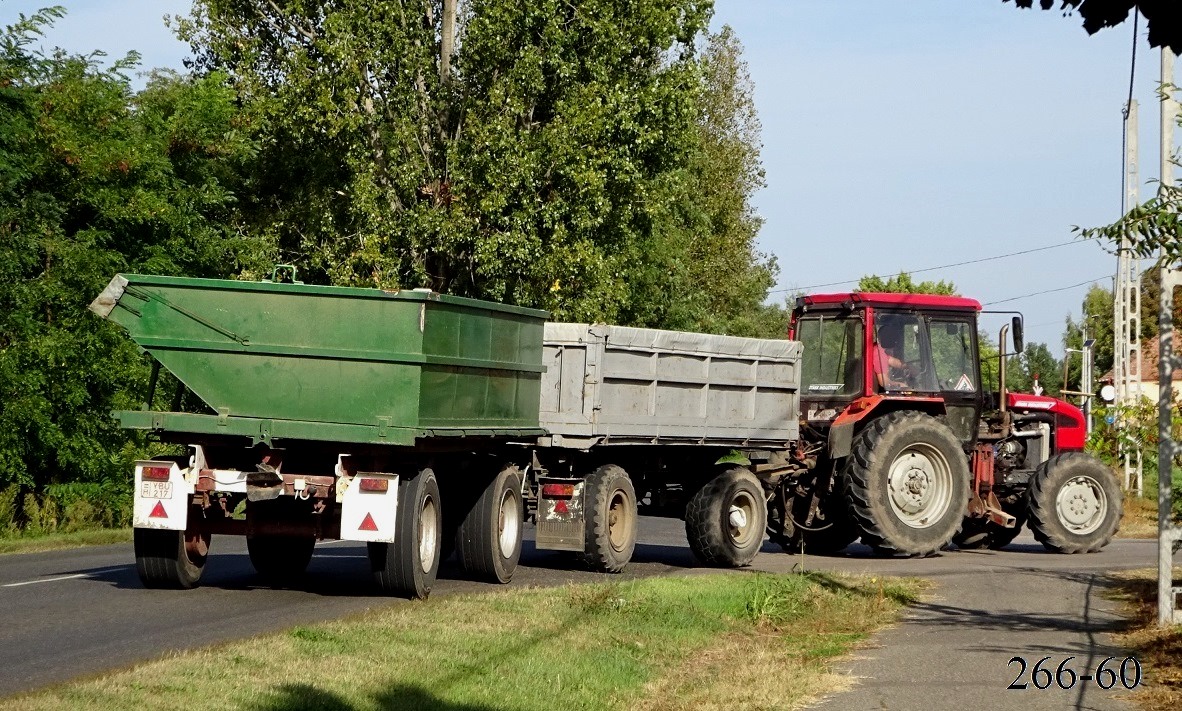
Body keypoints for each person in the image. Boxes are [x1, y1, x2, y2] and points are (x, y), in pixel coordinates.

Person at [874, 324, 911, 390]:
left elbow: (893, 361)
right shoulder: (878, 353)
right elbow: (883, 382)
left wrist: (908, 366)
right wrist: (901, 385)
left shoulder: (883, 351)